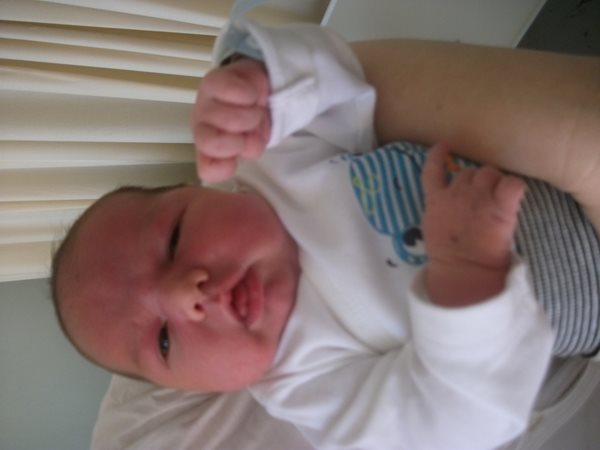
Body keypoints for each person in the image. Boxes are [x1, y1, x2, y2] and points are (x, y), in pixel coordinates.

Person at [51, 19, 600, 450]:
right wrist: (468, 272)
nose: (184, 295)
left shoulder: (273, 164)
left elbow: (341, 81)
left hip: (548, 165)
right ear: (197, 389)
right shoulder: (307, 386)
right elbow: (453, 422)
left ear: (200, 190)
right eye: (164, 342)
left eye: (173, 239)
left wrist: (255, 83)